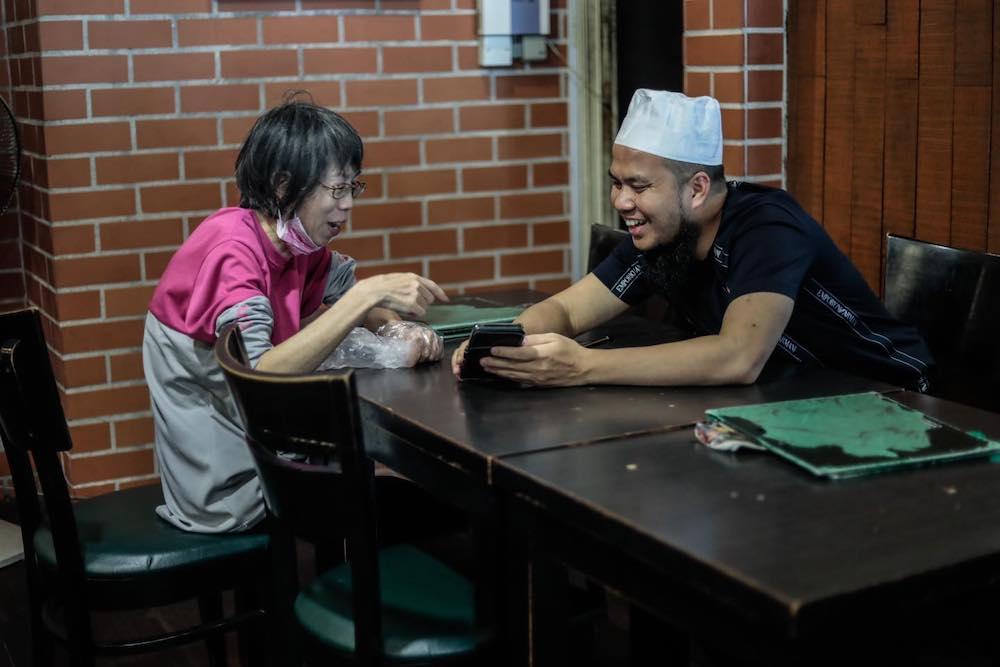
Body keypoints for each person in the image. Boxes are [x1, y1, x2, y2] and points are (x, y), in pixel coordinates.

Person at [452, 89, 932, 391]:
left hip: (889, 396)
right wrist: (502, 344)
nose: (621, 202)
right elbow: (570, 310)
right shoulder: (662, 233)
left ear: (697, 188)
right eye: (617, 182)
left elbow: (736, 357)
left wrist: (582, 366)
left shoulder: (768, 226)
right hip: (789, 402)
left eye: (639, 187)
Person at [143, 98, 448, 533]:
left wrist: (393, 327)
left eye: (353, 188)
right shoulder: (233, 251)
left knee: (400, 477)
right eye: (337, 190)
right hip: (229, 487)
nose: (348, 207)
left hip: (267, 448)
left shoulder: (293, 243)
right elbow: (263, 379)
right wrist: (364, 298)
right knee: (413, 485)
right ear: (284, 187)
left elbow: (344, 294)